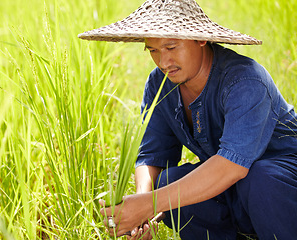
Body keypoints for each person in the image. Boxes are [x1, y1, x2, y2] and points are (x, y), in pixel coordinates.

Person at [78, 0, 297, 239]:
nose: (163, 62)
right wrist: (143, 203)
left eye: (171, 47)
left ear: (201, 38)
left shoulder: (245, 81)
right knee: (166, 182)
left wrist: (149, 204)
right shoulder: (159, 84)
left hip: (279, 191)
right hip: (235, 193)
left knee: (260, 177)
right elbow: (152, 155)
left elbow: (230, 167)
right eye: (153, 50)